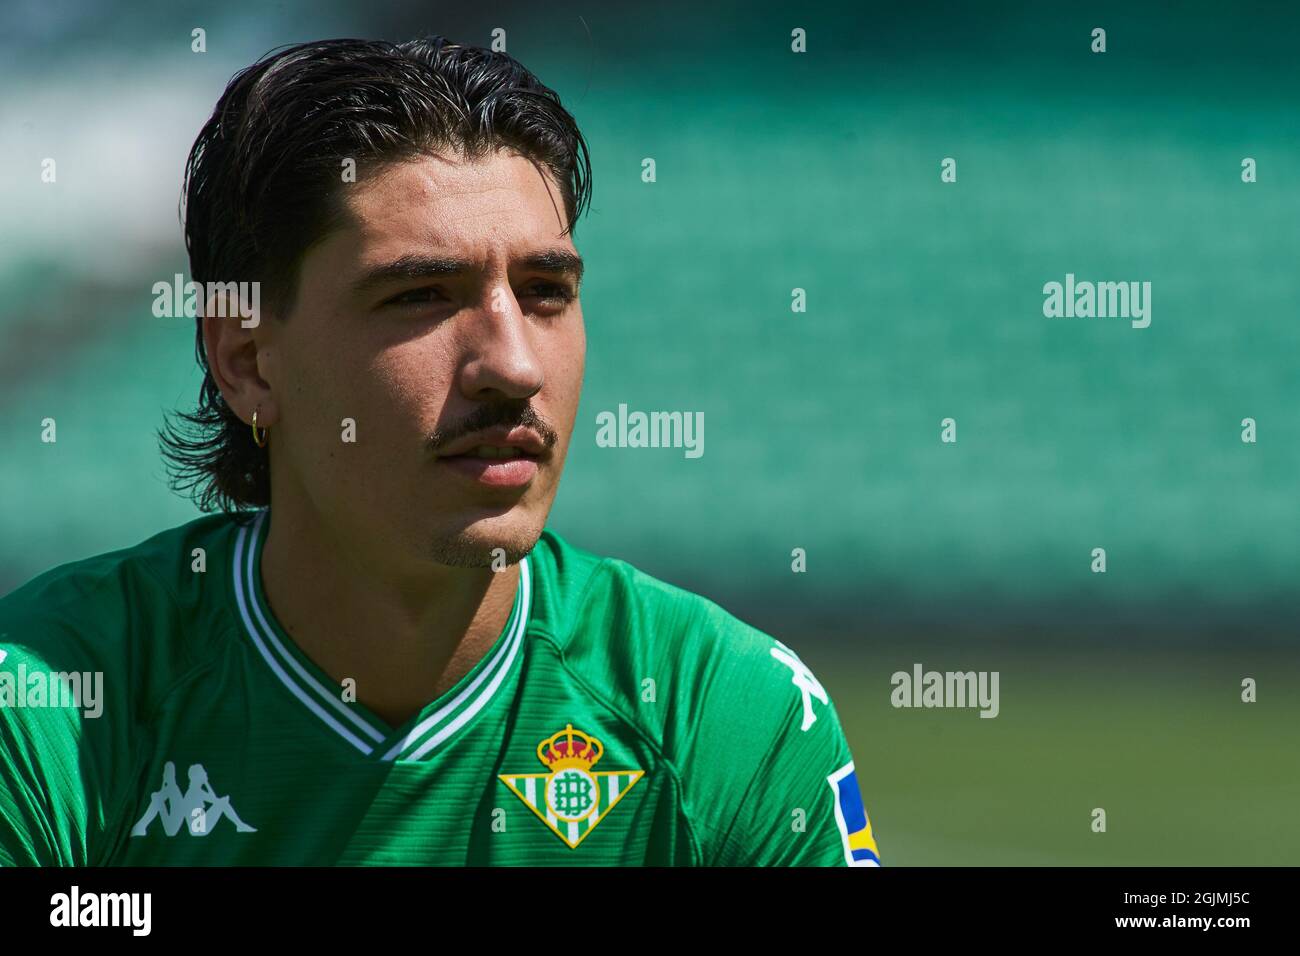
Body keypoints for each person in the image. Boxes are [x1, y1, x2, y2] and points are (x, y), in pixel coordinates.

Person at [0, 36, 880, 866]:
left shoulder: (722, 716)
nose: (513, 365)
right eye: (421, 295)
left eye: (544, 292)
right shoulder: (53, 703)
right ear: (247, 360)